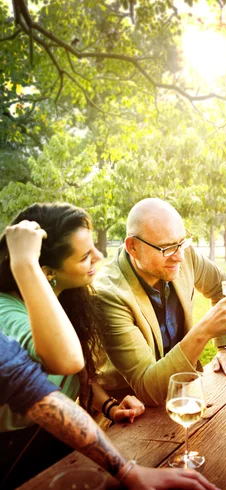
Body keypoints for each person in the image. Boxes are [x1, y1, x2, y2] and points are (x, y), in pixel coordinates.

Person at [0, 205, 145, 486]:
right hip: (18, 455)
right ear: (46, 271)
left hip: (65, 437)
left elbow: (75, 375)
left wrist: (108, 406)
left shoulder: (62, 294)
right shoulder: (7, 312)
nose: (99, 257)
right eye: (85, 257)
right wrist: (24, 263)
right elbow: (67, 361)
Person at [0, 332, 218, 490]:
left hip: (62, 443)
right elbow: (45, 382)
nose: (95, 265)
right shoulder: (13, 314)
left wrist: (109, 407)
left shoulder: (66, 301)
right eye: (84, 263)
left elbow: (78, 376)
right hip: (16, 451)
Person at [95, 198, 226, 406]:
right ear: (132, 247)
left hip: (187, 390)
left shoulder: (183, 254)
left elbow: (222, 287)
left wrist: (225, 348)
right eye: (167, 248)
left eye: (182, 242)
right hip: (131, 409)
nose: (179, 256)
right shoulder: (109, 294)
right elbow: (149, 390)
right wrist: (205, 329)